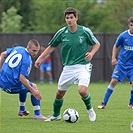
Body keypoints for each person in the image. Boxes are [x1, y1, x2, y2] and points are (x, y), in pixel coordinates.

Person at [35, 7, 100, 122]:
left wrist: (92, 53)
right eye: (67, 18)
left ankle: (90, 110)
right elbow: (51, 46)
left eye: (71, 17)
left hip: (83, 66)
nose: (69, 20)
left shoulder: (85, 31)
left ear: (76, 18)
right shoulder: (62, 32)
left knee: (82, 90)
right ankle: (56, 115)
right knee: (59, 93)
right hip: (68, 68)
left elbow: (97, 44)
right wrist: (40, 58)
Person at [0, 39, 46, 119]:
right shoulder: (27, 60)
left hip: (1, 81)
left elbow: (2, 54)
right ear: (28, 48)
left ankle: (22, 109)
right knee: (33, 86)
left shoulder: (18, 48)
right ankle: (37, 114)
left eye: (37, 51)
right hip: (10, 86)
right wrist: (33, 91)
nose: (35, 53)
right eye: (34, 50)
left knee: (25, 84)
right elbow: (22, 78)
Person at [98, 17, 133, 109]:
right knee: (113, 81)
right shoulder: (123, 36)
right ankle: (103, 103)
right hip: (121, 64)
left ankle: (131, 104)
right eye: (131, 25)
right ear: (129, 25)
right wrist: (113, 58)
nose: (132, 27)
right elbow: (116, 46)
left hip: (132, 66)